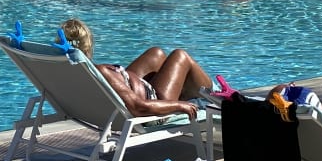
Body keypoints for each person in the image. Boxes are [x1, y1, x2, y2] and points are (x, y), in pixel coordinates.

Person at [60, 18, 215, 119]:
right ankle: (214, 95)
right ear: (89, 46)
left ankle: (189, 90)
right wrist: (180, 105)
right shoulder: (100, 72)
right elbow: (138, 108)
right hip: (154, 102)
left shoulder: (67, 72)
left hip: (136, 89)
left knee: (156, 53)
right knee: (180, 56)